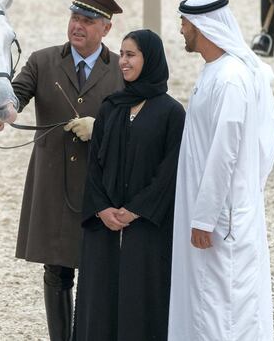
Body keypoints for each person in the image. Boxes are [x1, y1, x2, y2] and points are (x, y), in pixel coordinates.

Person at [5, 0, 124, 341]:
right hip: (54, 183)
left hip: (100, 186)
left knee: (97, 270)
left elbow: (140, 124)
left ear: (106, 28)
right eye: (74, 16)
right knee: (56, 270)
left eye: (88, 20)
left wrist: (100, 128)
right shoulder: (42, 61)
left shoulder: (122, 68)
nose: (77, 25)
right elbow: (15, 96)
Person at [169, 0, 274, 341]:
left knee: (223, 304)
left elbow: (224, 154)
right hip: (212, 209)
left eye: (185, 23)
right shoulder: (215, 71)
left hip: (222, 217)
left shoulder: (231, 78)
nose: (182, 30)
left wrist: (205, 217)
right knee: (206, 298)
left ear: (203, 26)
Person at [74, 29, 185, 341]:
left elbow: (170, 172)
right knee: (100, 297)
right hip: (104, 223)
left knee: (143, 297)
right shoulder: (112, 107)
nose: (123, 61)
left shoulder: (172, 113)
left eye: (131, 54)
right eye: (121, 54)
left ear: (149, 59)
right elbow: (94, 166)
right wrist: (102, 208)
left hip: (149, 226)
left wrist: (136, 210)